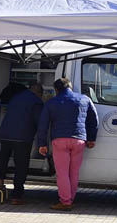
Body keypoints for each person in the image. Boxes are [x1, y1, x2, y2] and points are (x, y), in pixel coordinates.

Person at [36, 77, 98, 211]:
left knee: (62, 173)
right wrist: (92, 138)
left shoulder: (51, 102)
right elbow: (94, 120)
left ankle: (65, 202)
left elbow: (43, 125)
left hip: (60, 140)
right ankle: (70, 199)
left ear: (56, 90)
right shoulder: (84, 99)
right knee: (74, 173)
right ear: (70, 87)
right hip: (79, 140)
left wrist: (42, 144)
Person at [0, 82, 44, 205]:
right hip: (22, 137)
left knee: (3, 157)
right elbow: (39, 121)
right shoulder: (36, 101)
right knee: (21, 166)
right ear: (39, 93)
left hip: (5, 134)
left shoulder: (16, 97)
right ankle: (16, 195)